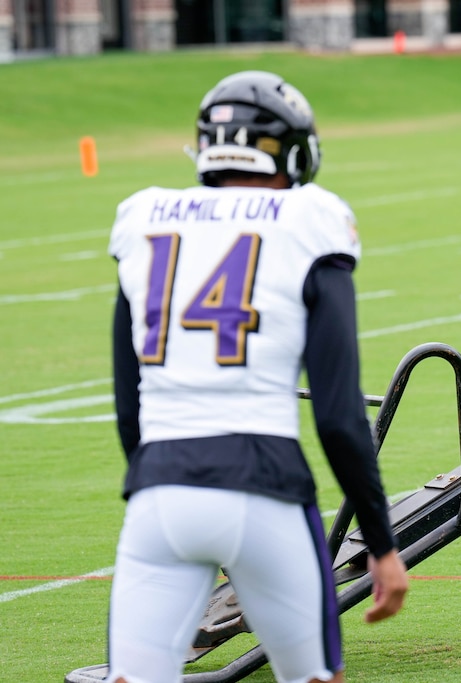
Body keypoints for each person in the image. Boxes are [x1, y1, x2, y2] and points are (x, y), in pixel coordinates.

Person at [106, 71, 408, 683]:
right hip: (263, 484)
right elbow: (337, 412)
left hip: (160, 492)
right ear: (289, 148)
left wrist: (156, 483)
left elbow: (128, 400)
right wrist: (380, 541)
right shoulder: (310, 217)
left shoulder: (144, 217)